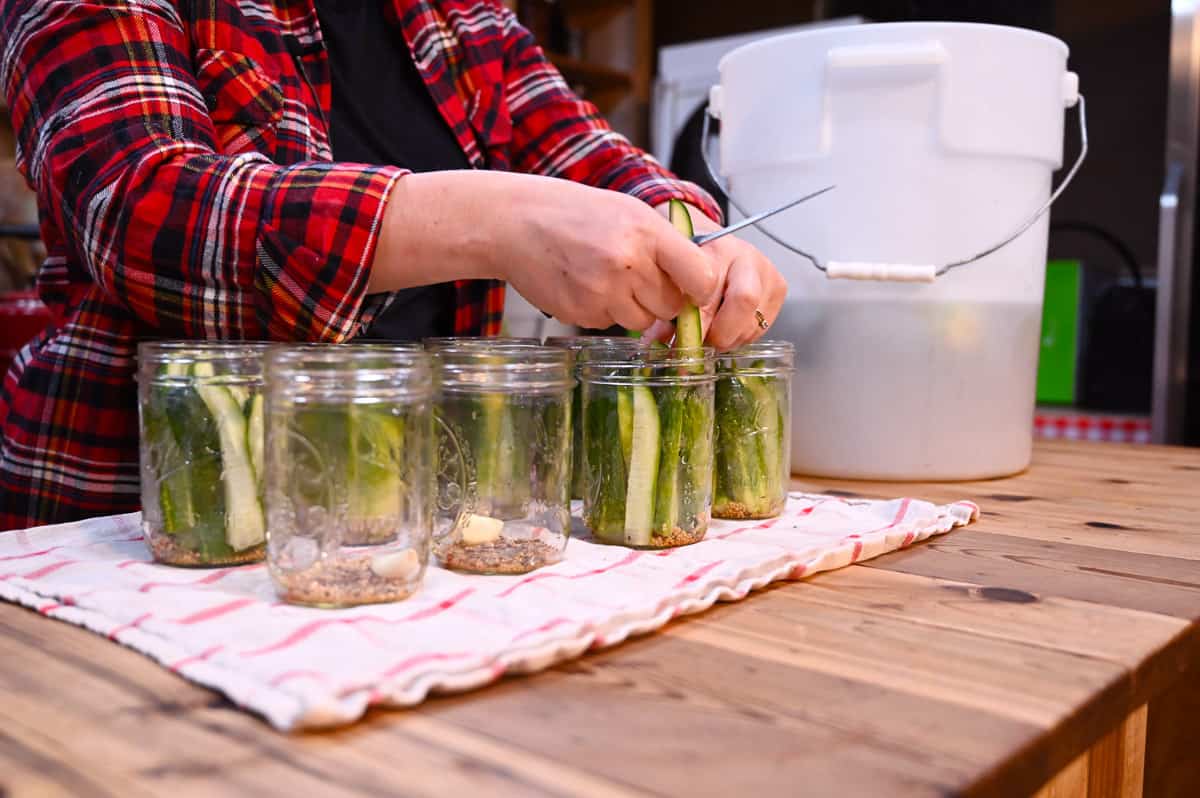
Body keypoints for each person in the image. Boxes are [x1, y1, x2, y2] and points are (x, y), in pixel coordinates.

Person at [0, 0, 786, 531]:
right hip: (139, 520)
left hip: (419, 524)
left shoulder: (460, 13)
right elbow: (139, 206)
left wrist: (697, 234)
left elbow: (583, 152)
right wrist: (497, 221)